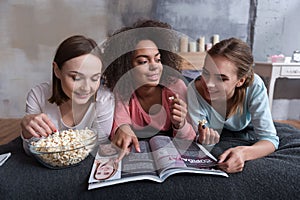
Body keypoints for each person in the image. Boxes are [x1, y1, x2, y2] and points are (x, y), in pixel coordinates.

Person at [102, 19, 196, 162]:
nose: (155, 67)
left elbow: (191, 138)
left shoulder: (176, 87)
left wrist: (181, 124)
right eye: (143, 62)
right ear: (126, 66)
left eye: (158, 60)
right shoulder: (122, 90)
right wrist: (123, 129)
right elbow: (121, 122)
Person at [187, 37, 279, 173]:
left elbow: (270, 139)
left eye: (221, 78)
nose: (209, 84)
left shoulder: (255, 86)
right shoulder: (194, 90)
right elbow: (199, 138)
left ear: (240, 81)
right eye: (206, 73)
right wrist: (204, 140)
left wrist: (243, 153)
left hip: (244, 131)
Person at [21, 35, 114, 145]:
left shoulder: (104, 100)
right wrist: (27, 133)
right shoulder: (38, 96)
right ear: (57, 70)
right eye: (76, 78)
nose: (86, 87)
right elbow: (33, 149)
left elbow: (99, 145)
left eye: (95, 78)